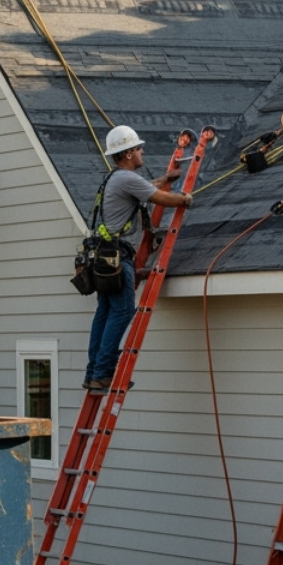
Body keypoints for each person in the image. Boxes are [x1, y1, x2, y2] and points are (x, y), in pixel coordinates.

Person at [83, 125, 192, 391]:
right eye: (139, 148)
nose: (143, 151)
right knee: (122, 312)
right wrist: (184, 199)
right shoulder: (125, 179)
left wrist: (165, 178)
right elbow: (159, 198)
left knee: (105, 312)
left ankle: (94, 372)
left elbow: (147, 188)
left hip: (103, 258)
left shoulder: (117, 178)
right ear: (129, 153)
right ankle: (104, 372)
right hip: (118, 258)